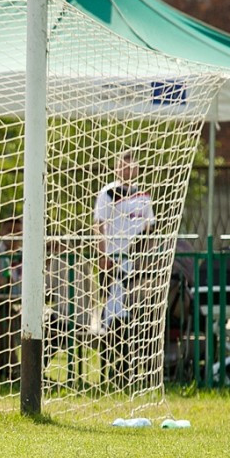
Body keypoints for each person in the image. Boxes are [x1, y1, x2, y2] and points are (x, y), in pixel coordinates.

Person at [94, 149, 155, 386]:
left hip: (136, 262)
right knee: (113, 313)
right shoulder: (108, 193)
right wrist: (102, 255)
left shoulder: (143, 196)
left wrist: (146, 258)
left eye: (132, 166)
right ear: (116, 168)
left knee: (135, 313)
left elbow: (149, 229)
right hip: (115, 260)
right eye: (123, 165)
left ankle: (129, 369)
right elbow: (99, 225)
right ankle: (109, 369)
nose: (128, 170)